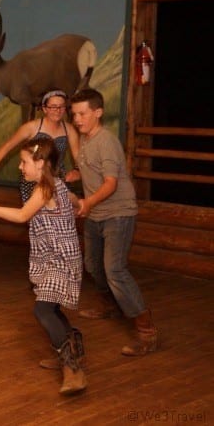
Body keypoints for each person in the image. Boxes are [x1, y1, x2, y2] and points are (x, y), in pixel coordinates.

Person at [0, 138, 86, 395]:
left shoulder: (44, 189)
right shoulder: (57, 186)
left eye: (24, 162)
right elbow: (75, 199)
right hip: (57, 256)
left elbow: (22, 216)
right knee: (52, 308)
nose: (21, 168)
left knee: (43, 310)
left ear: (40, 163)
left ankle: (73, 369)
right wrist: (80, 206)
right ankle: (72, 352)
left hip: (60, 259)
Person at [70, 88, 157, 356]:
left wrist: (87, 203)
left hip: (118, 213)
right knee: (93, 266)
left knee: (115, 270)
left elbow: (110, 183)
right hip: (97, 213)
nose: (77, 119)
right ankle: (110, 307)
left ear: (98, 112)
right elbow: (91, 170)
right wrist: (73, 176)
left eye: (82, 113)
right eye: (74, 114)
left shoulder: (106, 141)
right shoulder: (86, 140)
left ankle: (147, 332)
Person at [0, 89, 80, 202]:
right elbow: (7, 146)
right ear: (45, 109)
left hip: (58, 178)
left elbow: (78, 156)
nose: (57, 110)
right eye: (53, 107)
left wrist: (77, 170)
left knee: (57, 213)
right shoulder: (31, 127)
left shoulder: (69, 129)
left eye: (61, 106)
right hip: (33, 179)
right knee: (33, 214)